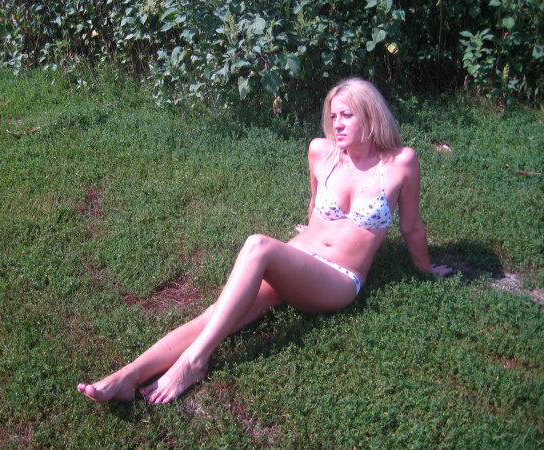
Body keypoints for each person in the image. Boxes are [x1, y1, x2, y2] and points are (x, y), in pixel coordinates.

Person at [77, 78, 452, 404]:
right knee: (215, 315)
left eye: (347, 115)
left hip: (339, 279)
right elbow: (315, 205)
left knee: (258, 245)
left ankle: (194, 361)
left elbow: (412, 227)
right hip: (299, 261)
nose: (337, 124)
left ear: (370, 116)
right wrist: (306, 237)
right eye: (333, 116)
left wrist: (426, 269)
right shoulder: (321, 151)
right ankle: (126, 376)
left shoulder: (400, 162)